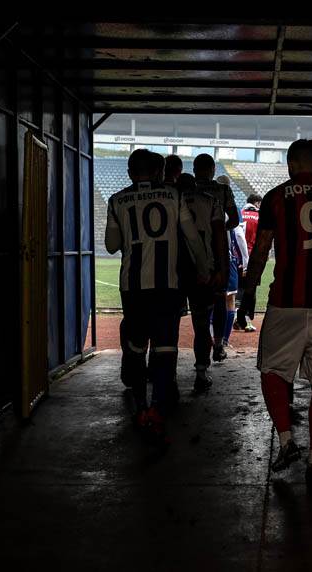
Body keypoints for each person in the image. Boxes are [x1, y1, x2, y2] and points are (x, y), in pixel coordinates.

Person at [239, 140, 312, 482]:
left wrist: (250, 291)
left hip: (285, 302)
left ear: (291, 164)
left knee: (272, 371)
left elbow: (260, 251)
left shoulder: (276, 197)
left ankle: (287, 440)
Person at [104, 149, 211, 444]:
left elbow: (112, 245)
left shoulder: (116, 200)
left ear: (129, 172)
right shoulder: (173, 196)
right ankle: (158, 411)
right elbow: (192, 238)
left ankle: (139, 406)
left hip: (134, 288)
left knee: (136, 349)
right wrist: (203, 268)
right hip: (168, 286)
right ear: (158, 173)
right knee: (165, 349)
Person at [175, 173, 227, 393]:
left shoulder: (171, 199)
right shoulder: (210, 200)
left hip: (175, 270)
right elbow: (219, 235)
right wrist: (221, 268)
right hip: (202, 269)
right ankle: (201, 372)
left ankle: (164, 372)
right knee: (202, 324)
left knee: (168, 324)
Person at [193, 156, 240, 361]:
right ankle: (219, 344)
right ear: (212, 169)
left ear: (194, 169)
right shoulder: (222, 190)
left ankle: (197, 348)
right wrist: (218, 230)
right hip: (217, 252)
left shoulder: (185, 190)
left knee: (196, 305)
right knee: (220, 298)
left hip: (190, 254)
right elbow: (235, 220)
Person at [235, 194, 261, 331]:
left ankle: (236, 316)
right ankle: (246, 319)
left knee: (239, 287)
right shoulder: (259, 216)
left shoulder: (240, 214)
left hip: (237, 256)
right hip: (253, 257)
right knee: (251, 289)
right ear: (257, 203)